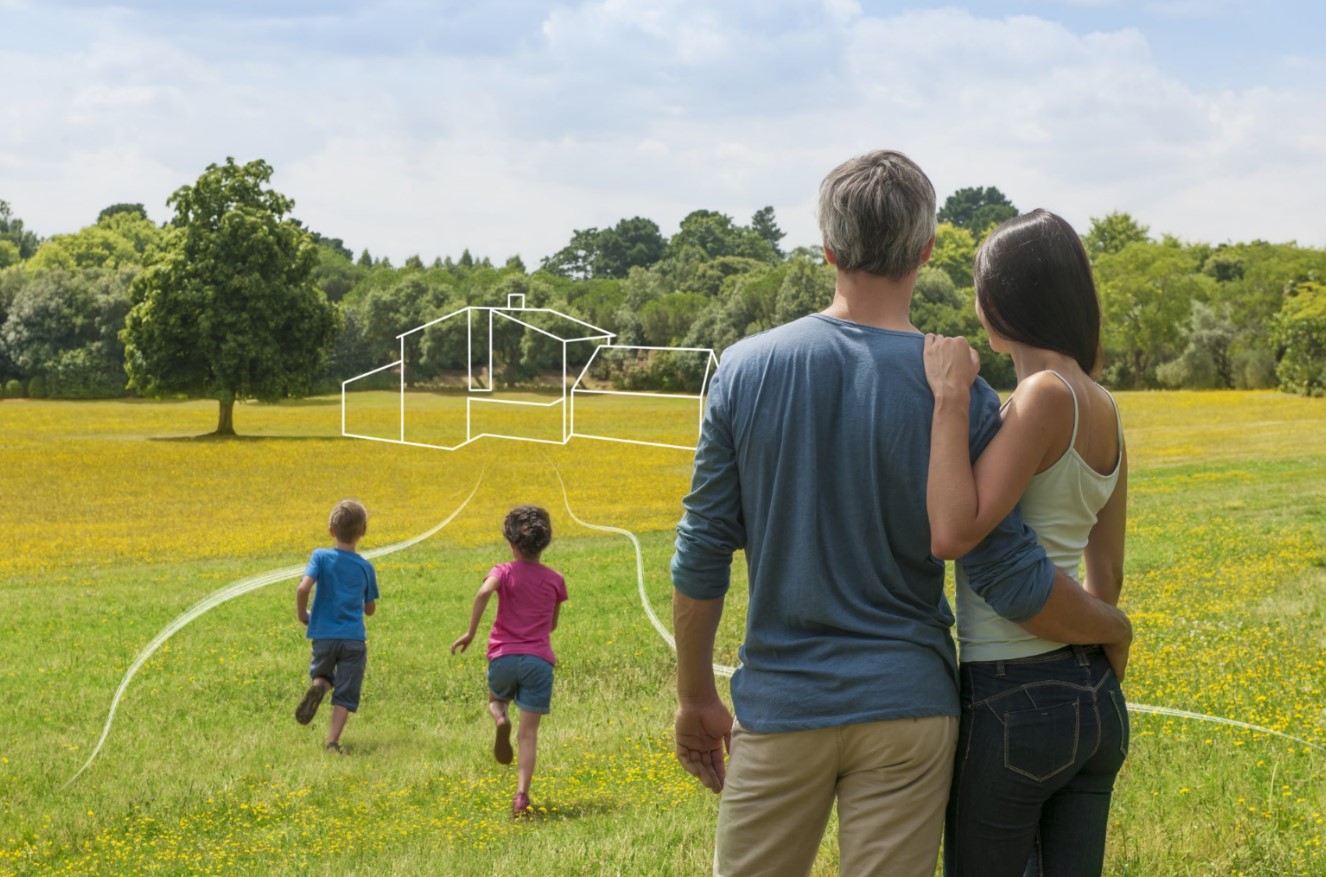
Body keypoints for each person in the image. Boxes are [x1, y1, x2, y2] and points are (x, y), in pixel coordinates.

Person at [670, 150, 1133, 877]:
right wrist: (1111, 628)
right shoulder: (965, 392)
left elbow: (701, 551)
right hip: (911, 709)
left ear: (826, 248)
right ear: (926, 250)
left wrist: (696, 693)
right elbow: (1006, 571)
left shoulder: (743, 369)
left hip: (781, 704)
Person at [923, 208, 1129, 877]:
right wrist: (1099, 657)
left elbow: (955, 528)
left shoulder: (1042, 395)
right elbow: (1109, 577)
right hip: (1094, 698)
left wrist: (951, 399)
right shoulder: (1103, 403)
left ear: (997, 304)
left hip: (1012, 693)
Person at [451, 505, 568, 818]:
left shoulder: (502, 571)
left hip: (503, 657)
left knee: (496, 700)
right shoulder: (556, 579)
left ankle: (500, 717)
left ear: (511, 544)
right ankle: (521, 795)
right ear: (544, 543)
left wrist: (471, 632)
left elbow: (483, 592)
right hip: (539, 662)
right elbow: (552, 625)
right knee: (529, 735)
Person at [294, 499, 379, 753]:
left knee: (323, 674)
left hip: (324, 635)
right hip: (353, 639)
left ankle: (319, 685)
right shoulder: (365, 566)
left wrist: (303, 613)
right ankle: (332, 742)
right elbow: (370, 609)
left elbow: (303, 587)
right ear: (363, 532)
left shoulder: (320, 556)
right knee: (346, 691)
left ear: (331, 530)